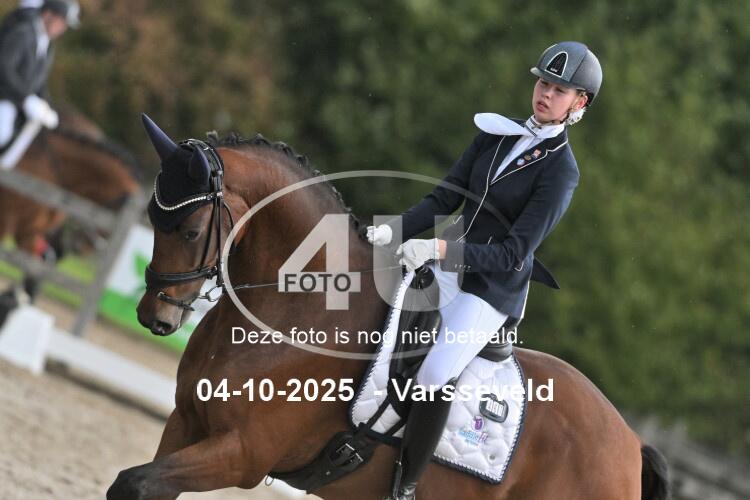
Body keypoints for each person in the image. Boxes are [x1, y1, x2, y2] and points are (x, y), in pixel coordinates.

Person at [366, 41, 602, 500]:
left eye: (559, 90)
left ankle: (405, 487)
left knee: (434, 375)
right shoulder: (496, 133)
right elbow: (443, 198)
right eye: (543, 83)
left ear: (579, 103)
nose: (545, 94)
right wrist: (392, 230)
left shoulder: (561, 172)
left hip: (490, 290)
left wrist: (438, 249)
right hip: (447, 262)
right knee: (372, 318)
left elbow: (513, 253)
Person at [0, 0, 80, 150]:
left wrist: (48, 107)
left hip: (21, 103)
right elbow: (4, 68)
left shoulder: (48, 45)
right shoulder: (23, 33)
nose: (62, 29)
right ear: (48, 14)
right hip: (5, 97)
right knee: (2, 133)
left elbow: (39, 82)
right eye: (61, 22)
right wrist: (26, 98)